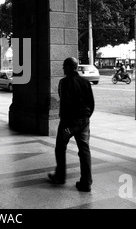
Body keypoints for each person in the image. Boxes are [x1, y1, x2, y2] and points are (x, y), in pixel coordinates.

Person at [48, 57, 95, 192]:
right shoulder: (85, 83)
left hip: (69, 123)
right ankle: (86, 182)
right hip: (84, 121)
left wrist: (66, 123)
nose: (63, 69)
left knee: (60, 147)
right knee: (84, 150)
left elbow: (65, 103)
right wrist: (85, 118)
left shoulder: (64, 83)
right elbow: (91, 103)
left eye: (64, 66)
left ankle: (60, 176)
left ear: (69, 67)